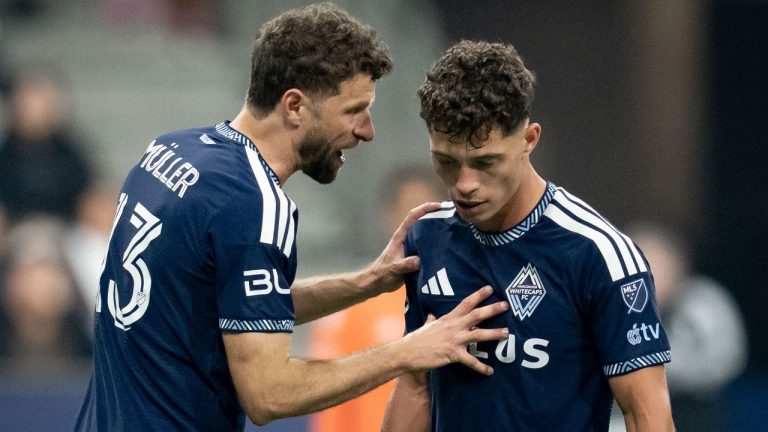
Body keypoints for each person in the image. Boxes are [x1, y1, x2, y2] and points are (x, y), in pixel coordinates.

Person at [74, 4, 510, 431]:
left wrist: (366, 282)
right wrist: (406, 352)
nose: (367, 130)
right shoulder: (253, 204)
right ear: (295, 106)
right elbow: (269, 395)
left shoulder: (168, 152)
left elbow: (236, 308)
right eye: (354, 110)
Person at [382, 40, 674, 432]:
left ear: (529, 139)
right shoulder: (429, 238)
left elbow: (646, 415)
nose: (464, 185)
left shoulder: (599, 255)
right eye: (446, 162)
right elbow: (416, 387)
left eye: (485, 162)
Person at [309, 165, 445, 432]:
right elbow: (330, 406)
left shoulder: (465, 298)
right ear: (388, 216)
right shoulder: (350, 310)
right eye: (409, 212)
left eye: (428, 213)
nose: (418, 226)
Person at [609, 222, 746, 432]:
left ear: (677, 264)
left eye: (656, 262)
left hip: (691, 407)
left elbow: (727, 358)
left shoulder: (704, 301)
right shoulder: (611, 306)